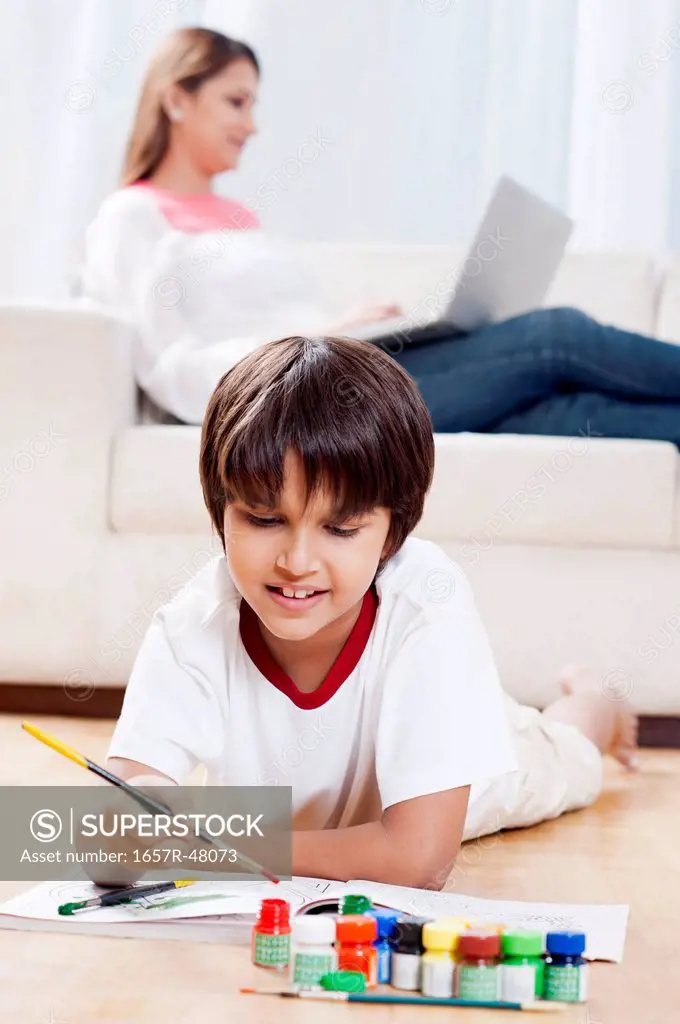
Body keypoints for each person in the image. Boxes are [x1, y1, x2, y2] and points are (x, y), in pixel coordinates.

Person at [105, 334, 637, 887]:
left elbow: (418, 860)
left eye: (340, 529)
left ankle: (595, 698)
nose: (297, 561)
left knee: (561, 753)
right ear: (223, 511)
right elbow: (112, 831)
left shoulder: (425, 606)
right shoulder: (191, 627)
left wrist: (213, 845)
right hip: (304, 835)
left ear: (392, 535)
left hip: (461, 784)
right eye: (264, 520)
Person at [81, 27, 680, 444]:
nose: (251, 124)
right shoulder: (131, 218)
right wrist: (310, 339)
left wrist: (353, 328)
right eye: (236, 102)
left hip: (340, 370)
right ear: (175, 99)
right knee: (557, 336)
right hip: (291, 405)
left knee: (561, 413)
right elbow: (171, 368)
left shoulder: (242, 219)